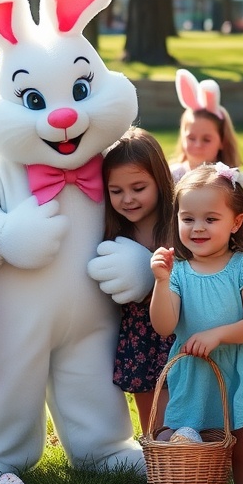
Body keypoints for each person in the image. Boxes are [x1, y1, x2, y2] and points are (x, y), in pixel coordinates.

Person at [150, 162, 243, 484]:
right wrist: (160, 282)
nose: (198, 227)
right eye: (188, 218)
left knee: (241, 445)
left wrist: (218, 334)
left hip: (237, 368)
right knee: (198, 439)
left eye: (210, 218)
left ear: (236, 222)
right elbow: (164, 325)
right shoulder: (178, 272)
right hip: (196, 372)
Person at [102, 127, 175, 434]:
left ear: (159, 181)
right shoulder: (114, 232)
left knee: (187, 405)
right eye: (116, 191)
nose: (127, 199)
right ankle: (157, 458)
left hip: (177, 326)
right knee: (151, 408)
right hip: (139, 334)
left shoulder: (178, 225)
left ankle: (196, 459)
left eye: (138, 188)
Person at [170, 68, 243, 222]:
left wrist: (232, 209)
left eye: (206, 139)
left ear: (222, 141)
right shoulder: (173, 175)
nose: (198, 144)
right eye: (191, 138)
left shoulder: (230, 176)